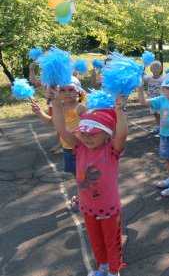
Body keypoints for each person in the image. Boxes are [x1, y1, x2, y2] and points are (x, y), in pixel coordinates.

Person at [51, 91, 128, 276]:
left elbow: (122, 135)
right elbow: (62, 130)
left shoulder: (111, 150)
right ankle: (102, 266)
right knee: (95, 239)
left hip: (108, 208)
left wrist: (119, 110)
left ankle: (113, 269)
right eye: (84, 133)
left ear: (107, 135)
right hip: (87, 206)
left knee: (111, 239)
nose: (87, 137)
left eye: (94, 134)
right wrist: (55, 102)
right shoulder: (79, 148)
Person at [31, 77, 87, 210]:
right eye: (62, 90)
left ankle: (86, 198)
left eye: (71, 89)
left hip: (83, 147)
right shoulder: (59, 107)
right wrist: (40, 113)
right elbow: (52, 122)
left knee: (86, 175)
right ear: (58, 93)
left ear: (78, 91)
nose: (67, 92)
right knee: (76, 175)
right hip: (67, 148)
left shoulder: (82, 106)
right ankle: (82, 195)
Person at [143, 60, 164, 134]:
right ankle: (158, 126)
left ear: (161, 69)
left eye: (157, 68)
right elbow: (142, 76)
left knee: (160, 113)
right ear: (151, 69)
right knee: (155, 113)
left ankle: (163, 127)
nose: (155, 69)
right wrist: (142, 68)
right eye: (153, 68)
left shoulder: (162, 79)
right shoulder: (148, 78)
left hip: (160, 100)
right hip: (151, 99)